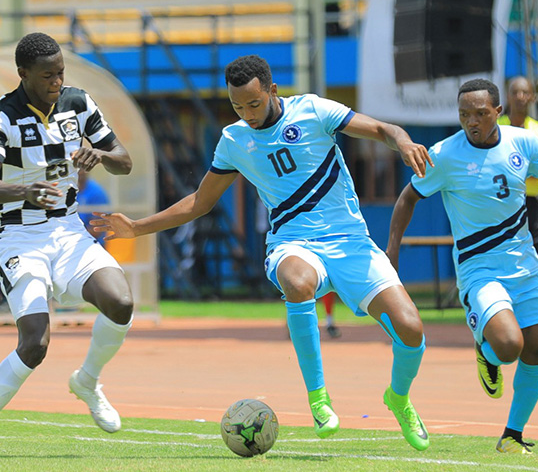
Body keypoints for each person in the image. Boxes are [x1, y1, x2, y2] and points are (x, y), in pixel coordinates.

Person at [91, 54, 433, 450]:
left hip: (352, 242)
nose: (247, 114)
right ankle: (319, 399)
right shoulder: (234, 141)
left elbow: (380, 128)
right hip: (293, 242)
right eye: (238, 106)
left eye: (254, 104)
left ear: (272, 90)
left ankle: (399, 398)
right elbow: (200, 202)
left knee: (411, 329)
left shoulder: (313, 110)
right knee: (297, 281)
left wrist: (403, 140)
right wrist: (137, 227)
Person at [0, 32, 135, 460]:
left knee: (120, 302)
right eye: (48, 75)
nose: (57, 81)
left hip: (68, 231)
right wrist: (23, 192)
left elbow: (124, 162)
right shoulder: (2, 117)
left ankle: (87, 380)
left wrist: (100, 155)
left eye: (61, 72)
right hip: (18, 235)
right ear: (23, 74)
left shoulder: (78, 102)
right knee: (35, 342)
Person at [386, 79, 538, 455]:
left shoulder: (524, 142)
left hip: (524, 265)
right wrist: (393, 251)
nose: (472, 122)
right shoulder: (445, 154)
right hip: (479, 269)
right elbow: (407, 198)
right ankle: (486, 350)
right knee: (509, 345)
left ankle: (511, 436)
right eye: (464, 114)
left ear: (497, 112)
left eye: (480, 114)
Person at [498, 76, 538, 264]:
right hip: (501, 201)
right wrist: (526, 168)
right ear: (507, 97)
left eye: (525, 92)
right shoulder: (495, 128)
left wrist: (511, 169)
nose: (520, 97)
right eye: (515, 92)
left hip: (531, 203)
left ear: (533, 98)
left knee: (535, 256)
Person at [76, 168, 110, 246]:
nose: (79, 172)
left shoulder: (97, 192)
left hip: (93, 244)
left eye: (81, 169)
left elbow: (97, 227)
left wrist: (75, 239)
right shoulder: (68, 189)